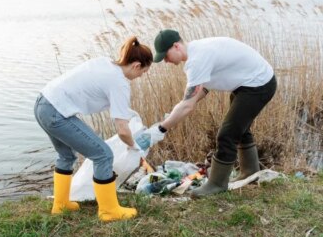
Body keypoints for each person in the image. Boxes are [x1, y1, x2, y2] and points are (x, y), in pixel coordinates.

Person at [34, 36, 153, 222]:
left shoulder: (104, 63)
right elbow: (122, 130)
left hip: (43, 103)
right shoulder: (120, 82)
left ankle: (60, 204)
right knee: (103, 155)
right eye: (143, 72)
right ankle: (109, 211)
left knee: (66, 156)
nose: (141, 76)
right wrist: (135, 147)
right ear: (136, 65)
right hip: (57, 112)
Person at [149, 29, 277, 198]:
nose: (165, 61)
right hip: (248, 83)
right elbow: (198, 93)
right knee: (240, 129)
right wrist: (180, 108)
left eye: (165, 56)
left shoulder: (197, 60)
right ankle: (251, 172)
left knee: (227, 135)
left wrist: (161, 129)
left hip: (258, 84)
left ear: (176, 46)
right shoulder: (198, 51)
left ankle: (217, 184)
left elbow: (188, 105)